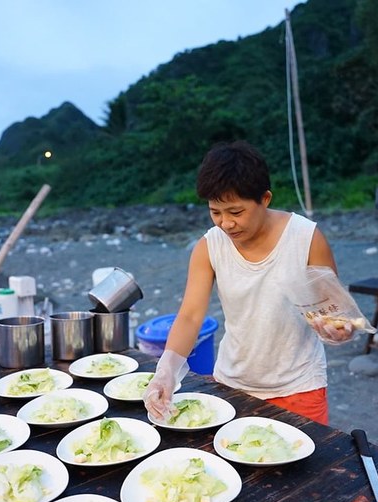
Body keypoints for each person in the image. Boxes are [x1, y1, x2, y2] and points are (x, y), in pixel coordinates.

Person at [143, 140, 351, 425]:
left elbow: (336, 311)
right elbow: (190, 316)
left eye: (236, 212)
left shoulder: (306, 238)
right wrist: (166, 369)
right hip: (231, 385)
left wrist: (339, 329)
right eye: (216, 212)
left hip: (300, 386)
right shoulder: (209, 247)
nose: (225, 223)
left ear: (265, 199)